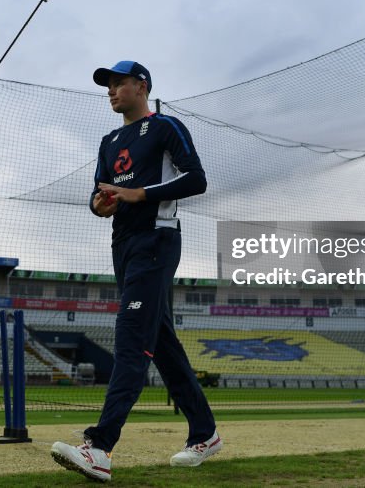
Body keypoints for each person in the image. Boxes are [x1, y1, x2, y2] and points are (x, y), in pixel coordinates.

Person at [51, 61, 220, 482]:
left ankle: (100, 447)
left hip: (157, 239)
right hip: (123, 245)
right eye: (108, 85)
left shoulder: (165, 126)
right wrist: (102, 204)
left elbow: (196, 179)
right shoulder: (109, 140)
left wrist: (139, 193)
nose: (111, 91)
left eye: (118, 83)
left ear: (141, 86)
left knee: (130, 334)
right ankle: (205, 433)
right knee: (161, 342)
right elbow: (98, 196)